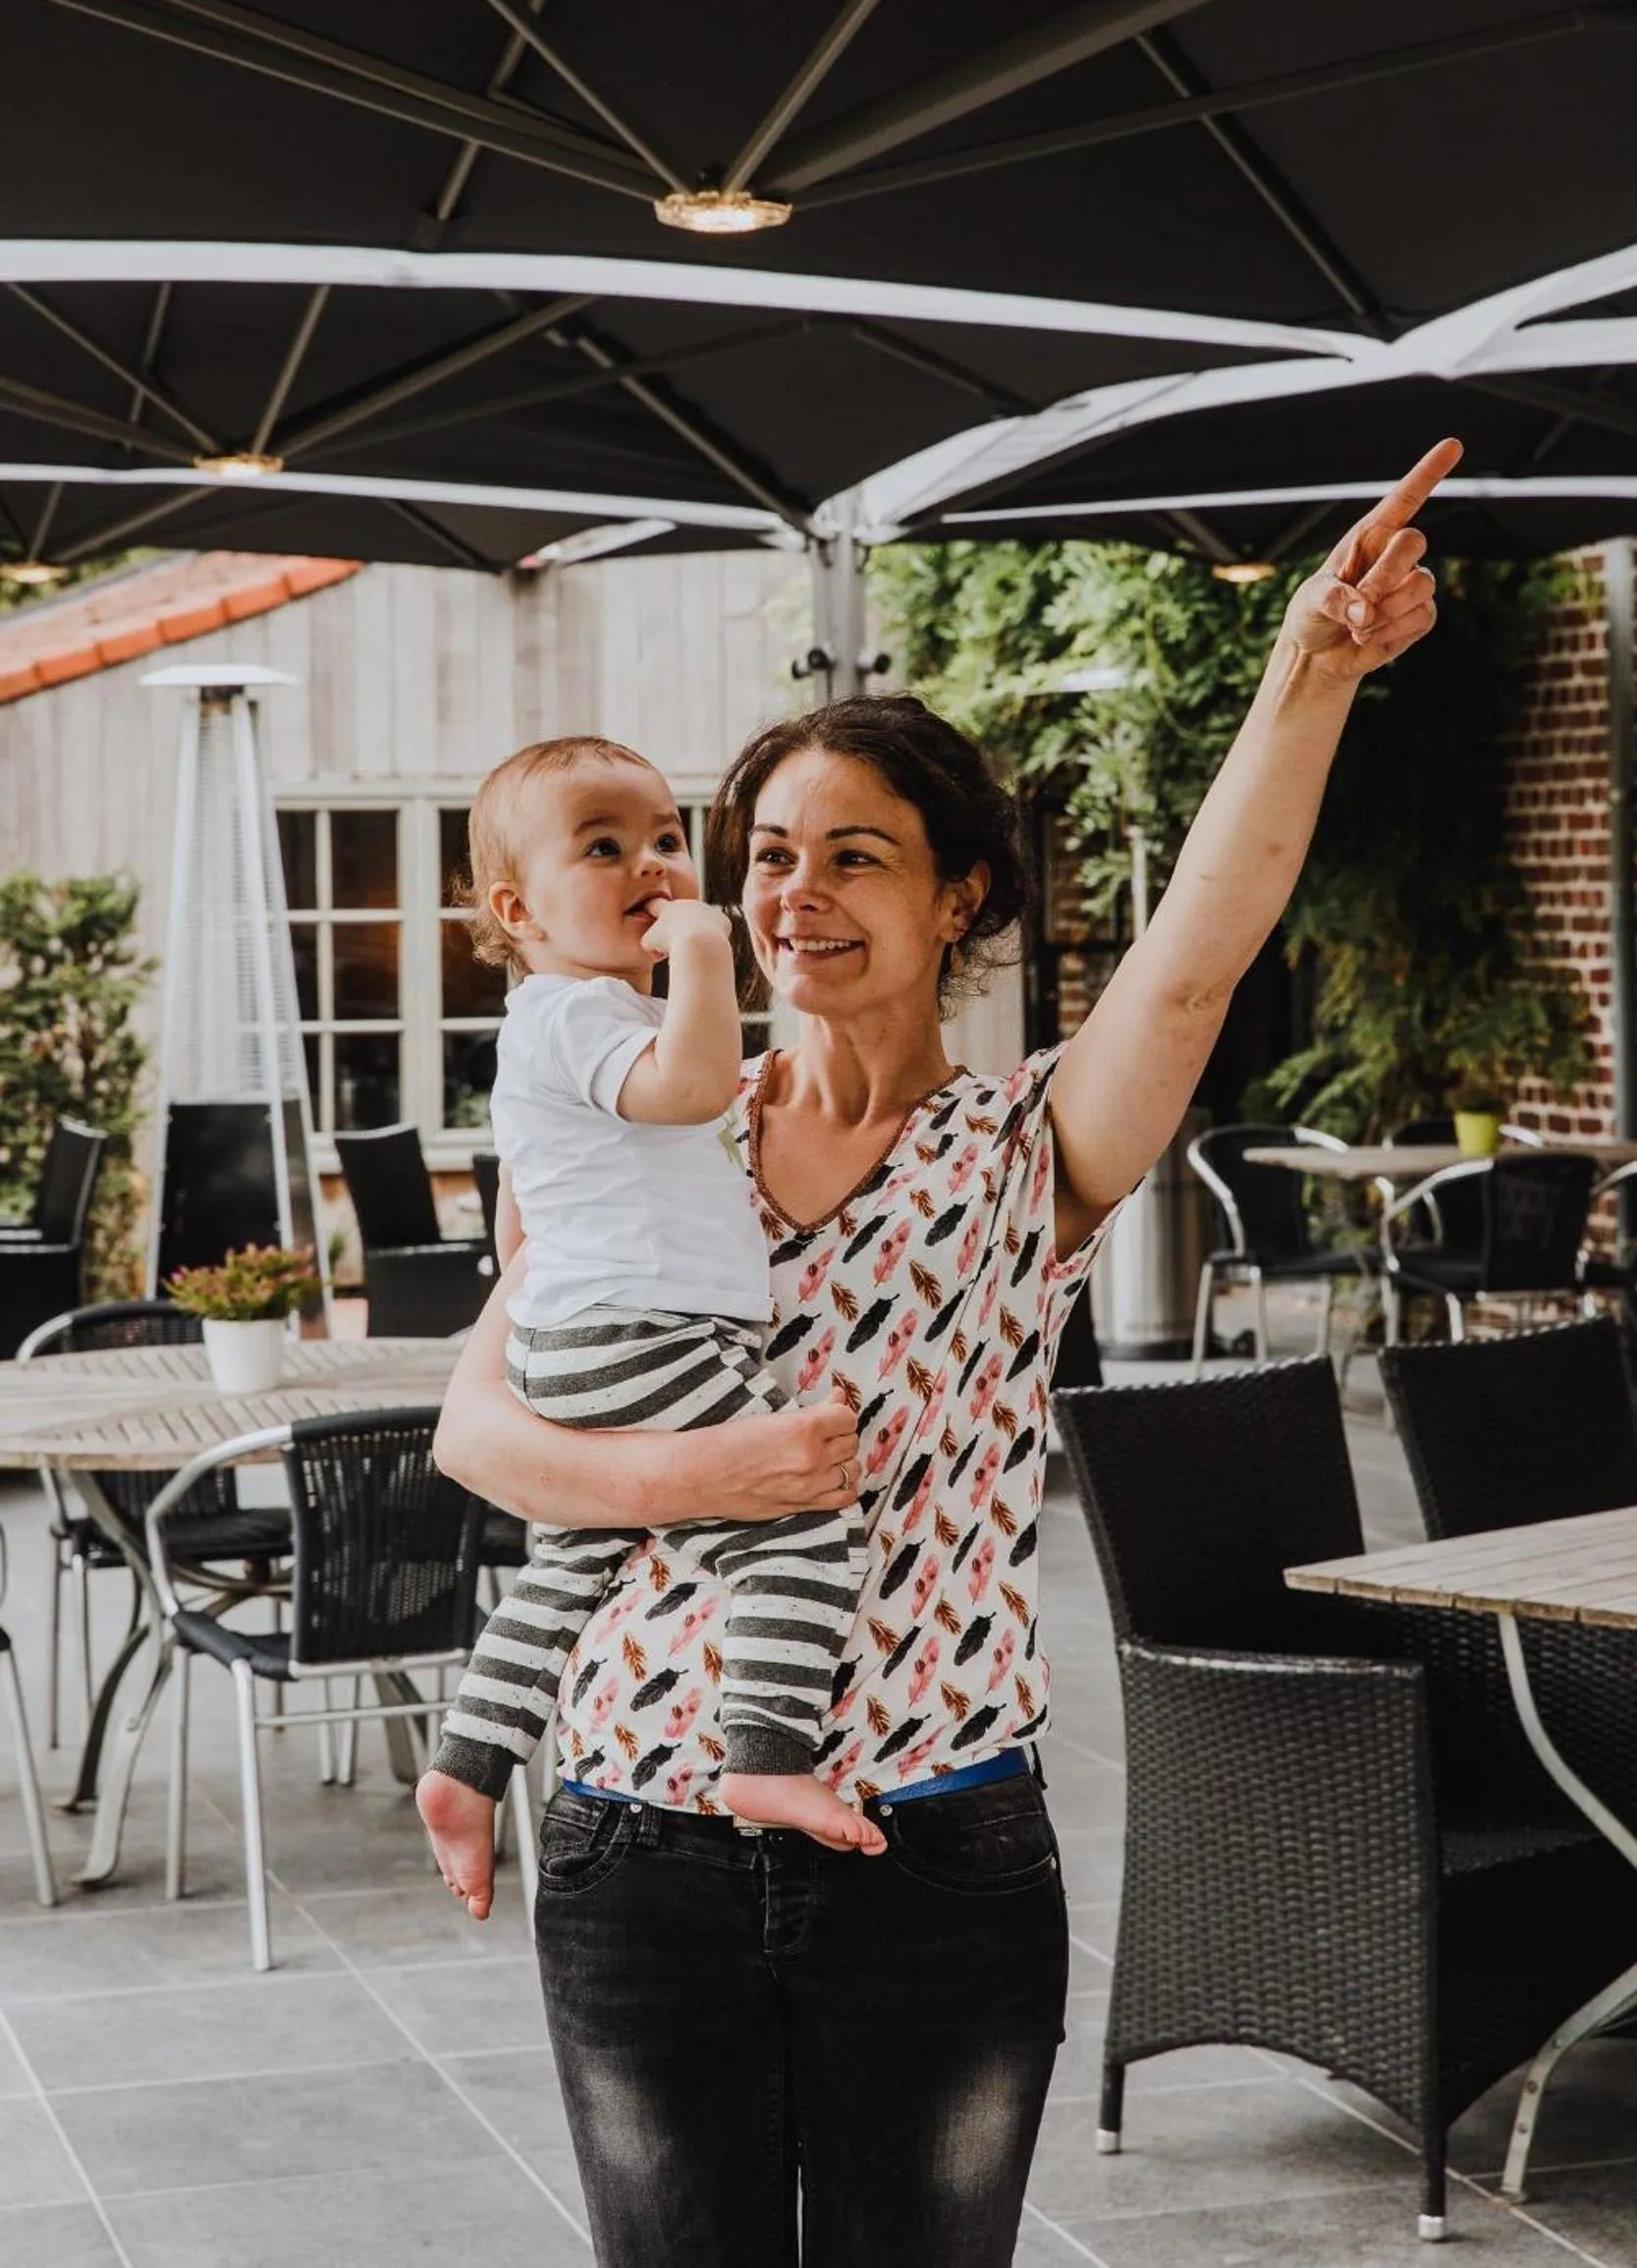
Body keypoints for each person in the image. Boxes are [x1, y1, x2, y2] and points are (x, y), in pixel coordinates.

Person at [431, 446, 1456, 2268]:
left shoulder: (1022, 1155)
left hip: (935, 1855)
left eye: (856, 857)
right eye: (764, 859)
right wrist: (706, 1482)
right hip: (633, 1844)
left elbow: (1199, 960)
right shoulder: (639, 1121)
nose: (795, 894)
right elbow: (475, 1433)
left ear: (959, 897)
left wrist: (1309, 667)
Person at [417, 736, 884, 1924]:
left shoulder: (576, 1018)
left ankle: (466, 1765)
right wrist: (706, 956)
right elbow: (691, 1087)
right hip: (635, 1329)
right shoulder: (578, 1016)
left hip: (596, 1330)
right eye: (604, 847)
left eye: (666, 841)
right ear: (518, 910)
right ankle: (765, 1753)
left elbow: (545, 1199)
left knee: (576, 1551)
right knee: (796, 1523)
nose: (652, 868)